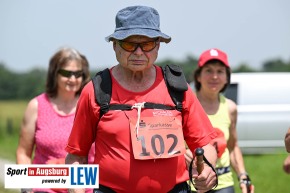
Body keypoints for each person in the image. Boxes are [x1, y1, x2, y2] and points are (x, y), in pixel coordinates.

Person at [65, 5, 218, 193]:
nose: (138, 52)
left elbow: (204, 144)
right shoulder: (96, 90)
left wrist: (208, 169)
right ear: (115, 45)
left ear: (158, 46)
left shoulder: (177, 88)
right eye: (129, 44)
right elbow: (76, 157)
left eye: (146, 45)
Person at [16, 47, 94, 193]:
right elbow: (23, 152)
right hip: (45, 187)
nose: (72, 79)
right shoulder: (36, 106)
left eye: (78, 74)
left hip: (87, 188)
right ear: (54, 74)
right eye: (66, 73)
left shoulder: (92, 106)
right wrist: (26, 186)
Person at [185, 48, 254, 193]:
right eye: (208, 71)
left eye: (220, 71)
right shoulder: (185, 105)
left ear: (227, 77)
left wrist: (243, 175)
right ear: (198, 76)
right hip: (192, 184)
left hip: (223, 184)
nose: (214, 76)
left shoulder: (230, 108)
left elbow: (233, 146)